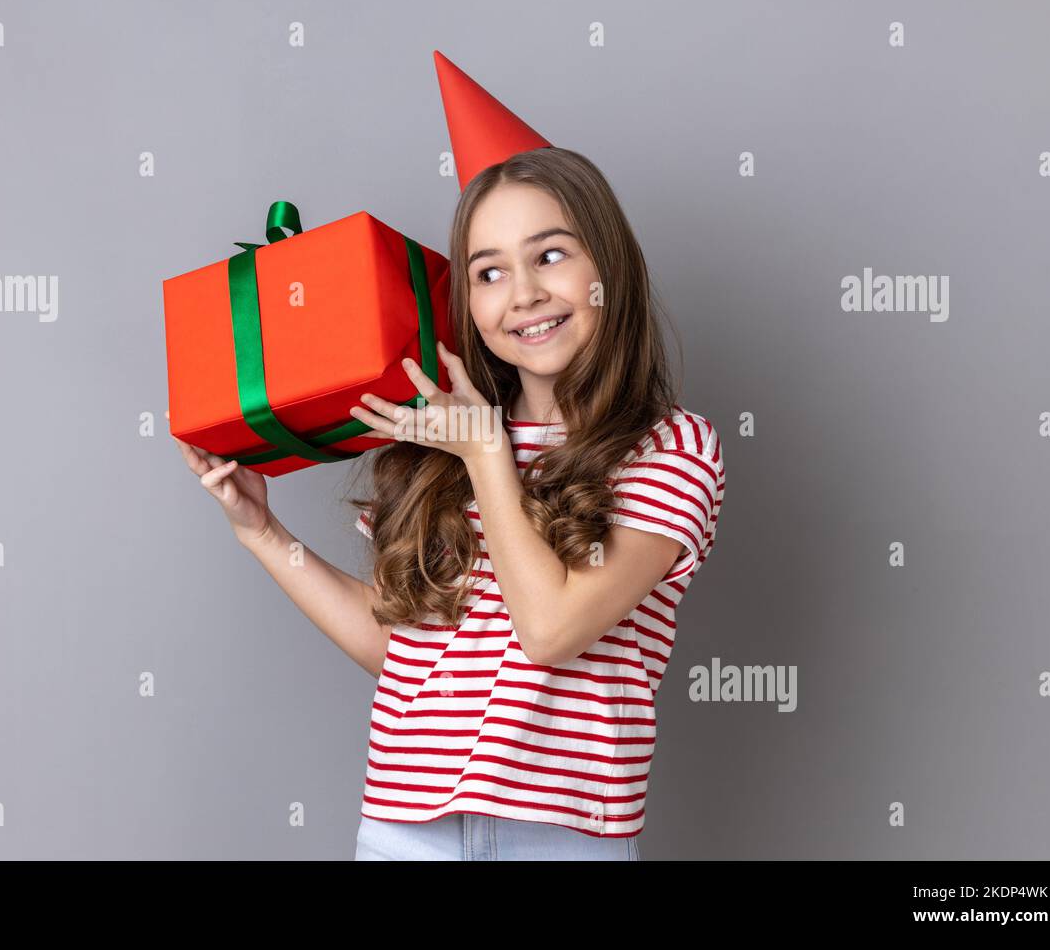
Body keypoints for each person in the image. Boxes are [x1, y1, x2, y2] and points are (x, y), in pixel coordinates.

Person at [173, 52, 725, 861]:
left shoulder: (671, 448)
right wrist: (265, 534)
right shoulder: (435, 448)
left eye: (551, 255)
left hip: (563, 838)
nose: (523, 295)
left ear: (610, 268)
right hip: (403, 832)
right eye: (489, 272)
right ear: (467, 302)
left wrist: (488, 460)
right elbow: (409, 655)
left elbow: (553, 629)